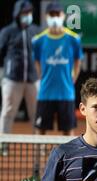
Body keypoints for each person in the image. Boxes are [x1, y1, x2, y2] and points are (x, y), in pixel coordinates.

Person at [31, 1, 83, 136]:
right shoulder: (38, 40)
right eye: (51, 14)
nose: (55, 17)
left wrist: (73, 78)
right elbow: (36, 60)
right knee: (40, 131)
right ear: (46, 17)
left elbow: (78, 60)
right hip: (45, 93)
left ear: (63, 16)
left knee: (68, 131)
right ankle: (38, 158)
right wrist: (42, 76)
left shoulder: (73, 39)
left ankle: (69, 158)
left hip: (66, 93)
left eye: (57, 14)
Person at [0, 0, 40, 139]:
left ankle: (38, 144)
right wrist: (5, 72)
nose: (27, 15)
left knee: (36, 113)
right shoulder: (7, 31)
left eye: (29, 12)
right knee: (8, 112)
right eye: (24, 12)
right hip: (12, 79)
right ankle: (3, 143)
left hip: (33, 79)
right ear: (17, 14)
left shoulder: (36, 30)